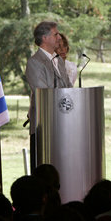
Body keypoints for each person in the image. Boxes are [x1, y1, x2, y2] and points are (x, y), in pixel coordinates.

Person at [25, 21, 72, 169]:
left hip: (63, 125)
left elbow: (68, 88)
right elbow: (44, 94)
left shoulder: (59, 60)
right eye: (56, 34)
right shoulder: (35, 62)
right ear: (45, 38)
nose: (59, 38)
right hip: (44, 126)